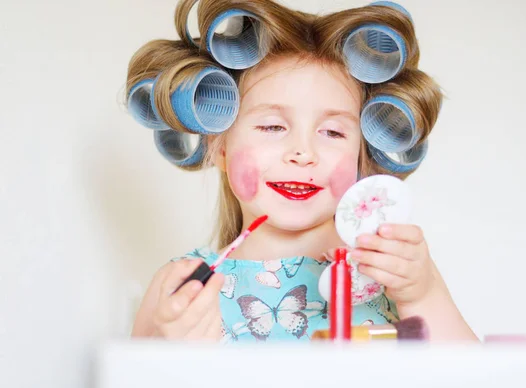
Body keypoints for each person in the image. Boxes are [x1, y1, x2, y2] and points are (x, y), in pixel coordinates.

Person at [126, 0, 478, 343]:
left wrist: (422, 295)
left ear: (364, 155)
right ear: (218, 145)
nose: (303, 153)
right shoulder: (182, 287)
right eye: (273, 127)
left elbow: (481, 383)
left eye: (333, 132)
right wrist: (170, 355)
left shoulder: (394, 275)